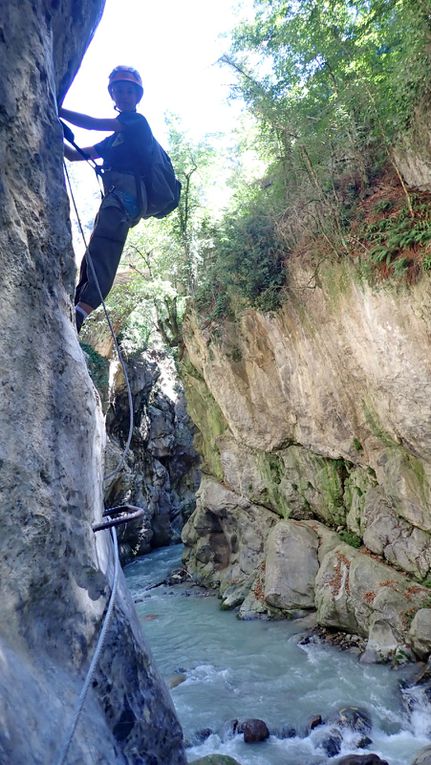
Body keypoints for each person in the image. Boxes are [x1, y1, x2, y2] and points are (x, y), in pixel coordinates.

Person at [60, 66, 153, 332]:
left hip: (126, 200)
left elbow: (91, 123)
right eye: (119, 90)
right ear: (112, 94)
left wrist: (56, 107)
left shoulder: (137, 123)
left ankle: (82, 310)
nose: (123, 95)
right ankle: (77, 304)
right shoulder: (113, 142)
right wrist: (56, 132)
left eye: (129, 91)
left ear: (137, 96)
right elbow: (75, 155)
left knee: (105, 248)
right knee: (94, 250)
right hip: (114, 200)